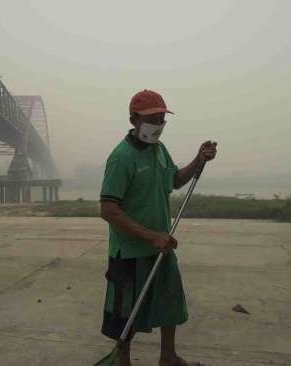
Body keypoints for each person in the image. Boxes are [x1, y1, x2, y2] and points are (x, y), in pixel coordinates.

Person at [99, 89, 217, 366]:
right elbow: (108, 209)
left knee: (169, 303)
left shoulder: (159, 150)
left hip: (161, 245)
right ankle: (122, 361)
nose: (158, 124)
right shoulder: (121, 157)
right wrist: (150, 236)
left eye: (162, 118)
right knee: (125, 314)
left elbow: (175, 180)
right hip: (129, 250)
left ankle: (168, 356)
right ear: (134, 120)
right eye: (152, 118)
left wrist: (199, 159)